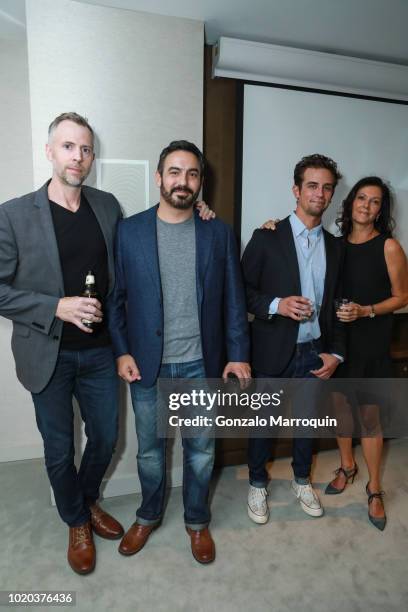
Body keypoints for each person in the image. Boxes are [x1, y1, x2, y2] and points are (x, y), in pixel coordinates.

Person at [108, 140, 250, 564]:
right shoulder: (128, 231)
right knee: (150, 450)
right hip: (147, 364)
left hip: (199, 363)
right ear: (159, 178)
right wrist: (121, 351)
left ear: (200, 182)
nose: (182, 181)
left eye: (191, 174)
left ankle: (197, 521)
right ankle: (149, 514)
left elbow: (234, 300)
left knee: (201, 450)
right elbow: (117, 299)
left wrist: (238, 352)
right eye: (174, 172)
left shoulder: (217, 232)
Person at [0, 112, 125, 574]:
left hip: (99, 351)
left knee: (107, 436)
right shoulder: (13, 214)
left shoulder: (108, 206)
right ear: (50, 152)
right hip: (45, 352)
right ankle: (76, 520)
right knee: (58, 450)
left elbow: (132, 258)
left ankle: (87, 498)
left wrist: (200, 211)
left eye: (86, 148)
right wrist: (56, 306)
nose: (78, 156)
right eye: (68, 146)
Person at [241, 153, 345, 524]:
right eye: (312, 185)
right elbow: (241, 291)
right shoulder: (266, 237)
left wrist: (336, 353)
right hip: (272, 349)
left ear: (332, 194)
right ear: (296, 190)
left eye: (326, 187)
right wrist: (277, 304)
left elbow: (338, 306)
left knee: (308, 424)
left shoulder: (336, 247)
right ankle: (257, 484)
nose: (319, 193)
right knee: (263, 424)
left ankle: (302, 480)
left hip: (315, 352)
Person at [324, 176, 408, 530]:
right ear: (351, 202)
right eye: (361, 198)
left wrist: (366, 311)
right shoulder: (336, 245)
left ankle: (375, 489)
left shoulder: (388, 246)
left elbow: (403, 296)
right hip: (340, 343)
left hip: (372, 342)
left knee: (370, 420)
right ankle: (347, 466)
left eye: (375, 201)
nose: (367, 205)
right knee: (341, 412)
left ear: (380, 209)